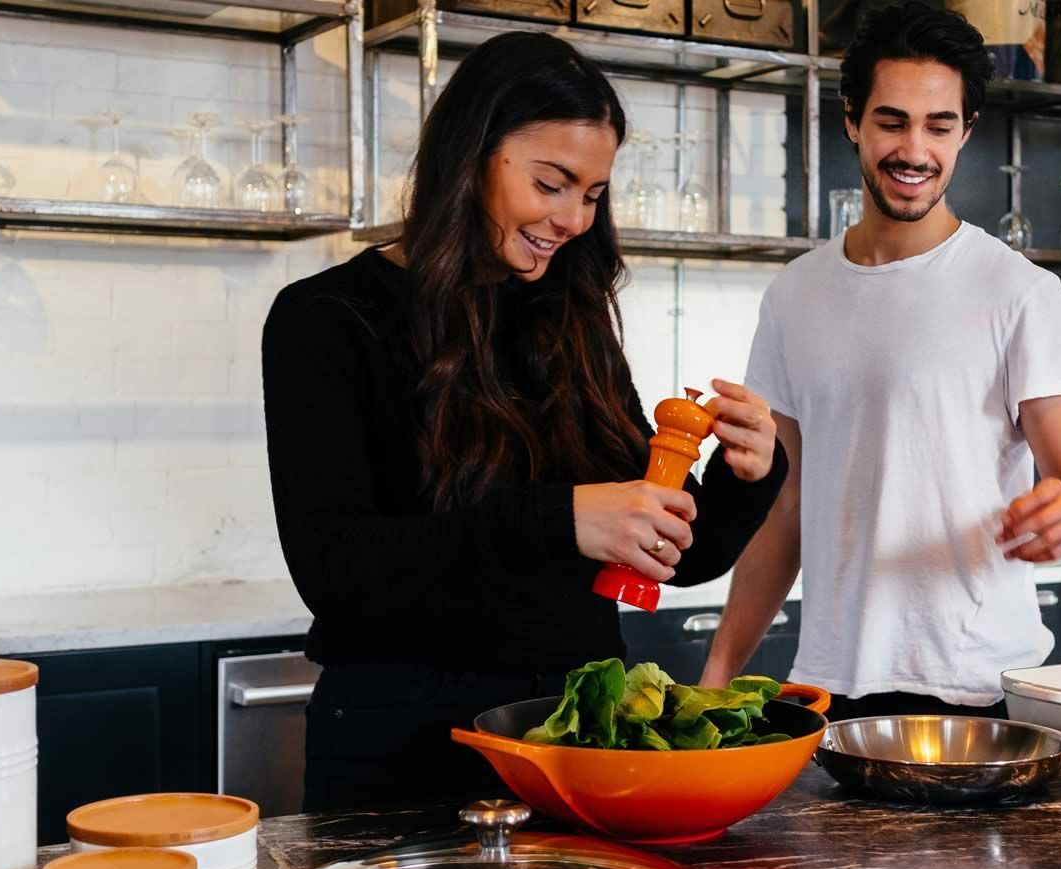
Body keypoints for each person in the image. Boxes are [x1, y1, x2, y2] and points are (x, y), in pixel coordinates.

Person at [262, 32, 788, 810]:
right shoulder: (328, 318)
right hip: (401, 749)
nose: (574, 218)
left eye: (593, 194)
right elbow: (333, 568)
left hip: (576, 738)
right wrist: (561, 520)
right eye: (552, 183)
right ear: (471, 155)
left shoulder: (572, 318)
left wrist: (745, 474)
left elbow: (670, 556)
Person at [699, 1, 1061, 720]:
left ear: (967, 131)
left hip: (980, 691)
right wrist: (716, 676)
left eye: (939, 125)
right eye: (892, 121)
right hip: (830, 691)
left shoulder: (1021, 293)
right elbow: (785, 508)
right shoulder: (796, 294)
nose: (914, 150)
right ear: (852, 121)